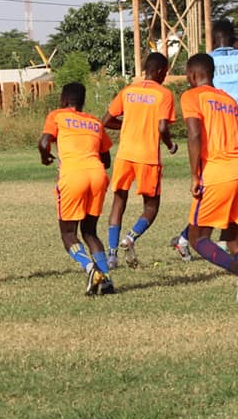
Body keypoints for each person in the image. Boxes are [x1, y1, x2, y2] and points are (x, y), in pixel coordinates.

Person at [101, 52, 177, 270]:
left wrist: (124, 127)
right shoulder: (164, 94)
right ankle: (131, 237)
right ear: (162, 71)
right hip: (147, 157)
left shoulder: (128, 90)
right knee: (151, 207)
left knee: (118, 202)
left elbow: (106, 120)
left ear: (145, 69)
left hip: (124, 155)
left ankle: (112, 255)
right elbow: (163, 127)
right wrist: (170, 145)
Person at [39, 82, 115, 295]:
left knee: (68, 234)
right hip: (98, 175)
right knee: (90, 231)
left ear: (63, 100)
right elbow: (107, 158)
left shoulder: (57, 115)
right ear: (82, 101)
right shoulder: (94, 122)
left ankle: (90, 269)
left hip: (73, 176)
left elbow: (44, 142)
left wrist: (45, 157)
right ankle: (107, 279)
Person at [171, 19, 238, 261]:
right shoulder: (230, 101)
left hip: (216, 171)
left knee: (198, 238)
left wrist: (194, 175)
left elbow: (195, 133)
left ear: (191, 74)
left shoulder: (192, 96)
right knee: (232, 237)